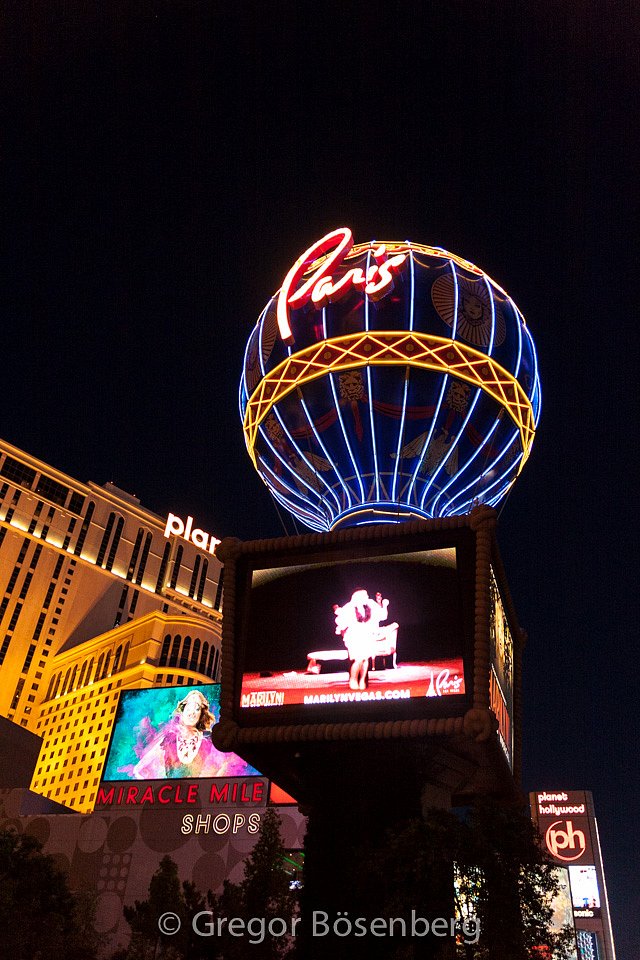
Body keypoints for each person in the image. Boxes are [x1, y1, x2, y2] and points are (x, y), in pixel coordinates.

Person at [132, 690, 240, 779]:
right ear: (182, 710)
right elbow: (139, 768)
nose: (192, 712)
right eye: (190, 706)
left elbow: (228, 762)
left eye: (197, 708)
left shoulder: (209, 738)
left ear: (201, 714)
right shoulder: (169, 737)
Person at [334, 589, 388, 691]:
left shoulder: (370, 604)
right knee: (358, 659)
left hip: (367, 636)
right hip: (354, 637)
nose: (367, 597)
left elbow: (382, 616)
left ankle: (362, 680)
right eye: (365, 595)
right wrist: (341, 627)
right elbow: (341, 621)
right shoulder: (349, 607)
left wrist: (383, 605)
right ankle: (353, 680)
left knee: (365, 660)